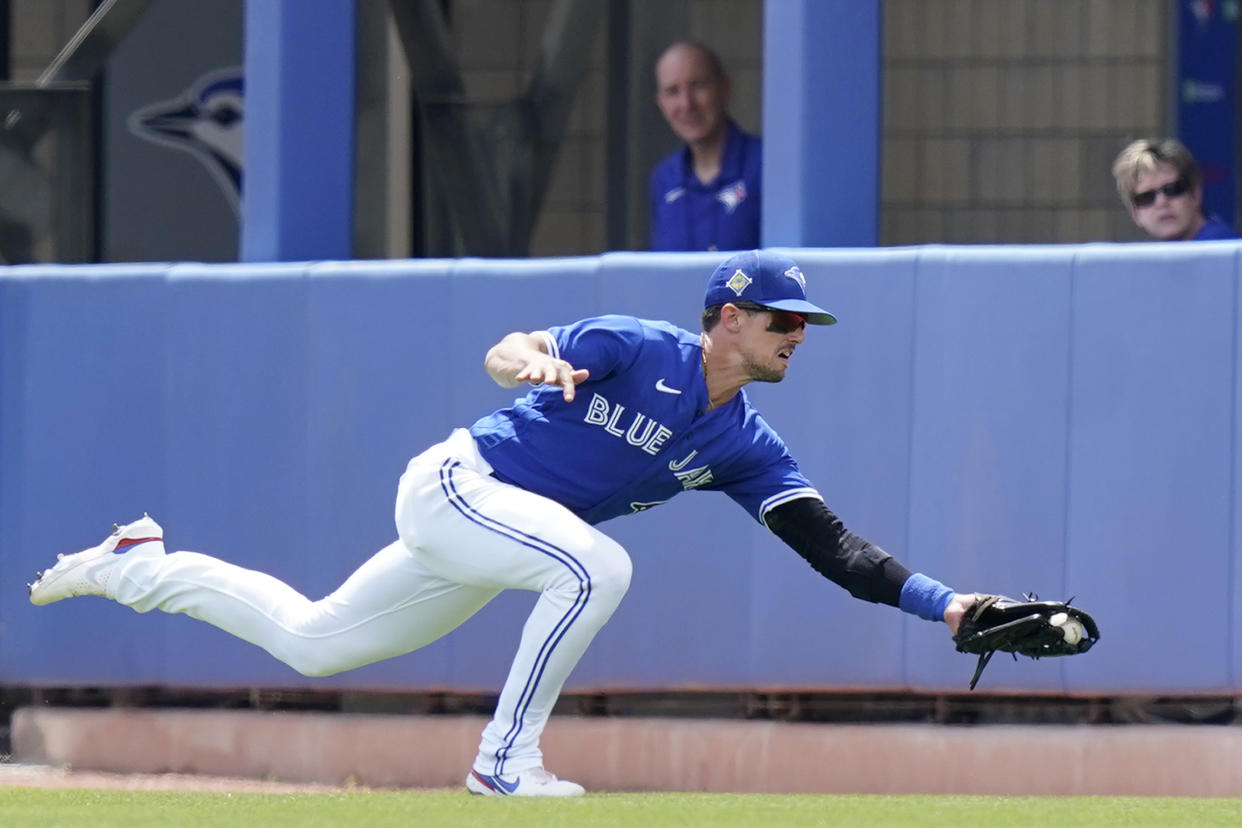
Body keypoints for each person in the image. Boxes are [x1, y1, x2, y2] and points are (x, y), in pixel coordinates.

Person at [29, 249, 979, 798]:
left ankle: (137, 565)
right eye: (782, 318)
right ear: (728, 317)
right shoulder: (640, 345)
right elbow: (509, 346)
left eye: (804, 323)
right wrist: (523, 364)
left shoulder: (747, 446)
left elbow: (837, 549)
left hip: (498, 539)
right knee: (597, 569)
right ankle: (503, 762)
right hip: (454, 486)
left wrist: (951, 609)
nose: (798, 335)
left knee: (313, 644)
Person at [649, 41, 761, 252]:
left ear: (725, 88)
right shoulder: (664, 180)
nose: (687, 104)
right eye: (673, 92)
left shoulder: (764, 166)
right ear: (661, 104)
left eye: (698, 86)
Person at [1111, 137, 1238, 241]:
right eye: (1146, 197)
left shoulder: (1222, 246)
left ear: (1195, 195)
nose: (1161, 202)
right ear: (1135, 215)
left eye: (1172, 189)